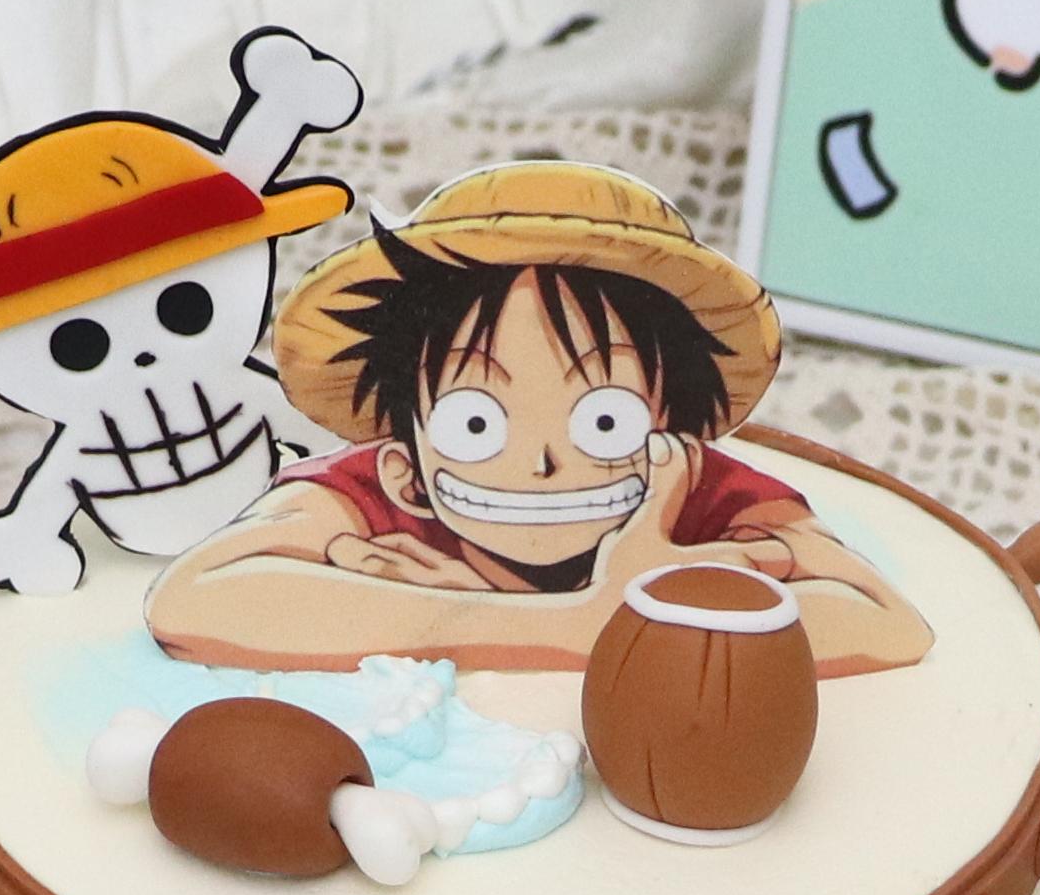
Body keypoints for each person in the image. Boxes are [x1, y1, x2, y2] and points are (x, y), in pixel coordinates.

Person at [145, 161, 933, 676]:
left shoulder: (698, 491)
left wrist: (468, 623)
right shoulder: (368, 492)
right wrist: (597, 619)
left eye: (603, 419)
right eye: (475, 424)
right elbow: (194, 598)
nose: (542, 461)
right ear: (405, 466)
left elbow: (887, 623)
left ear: (669, 423)